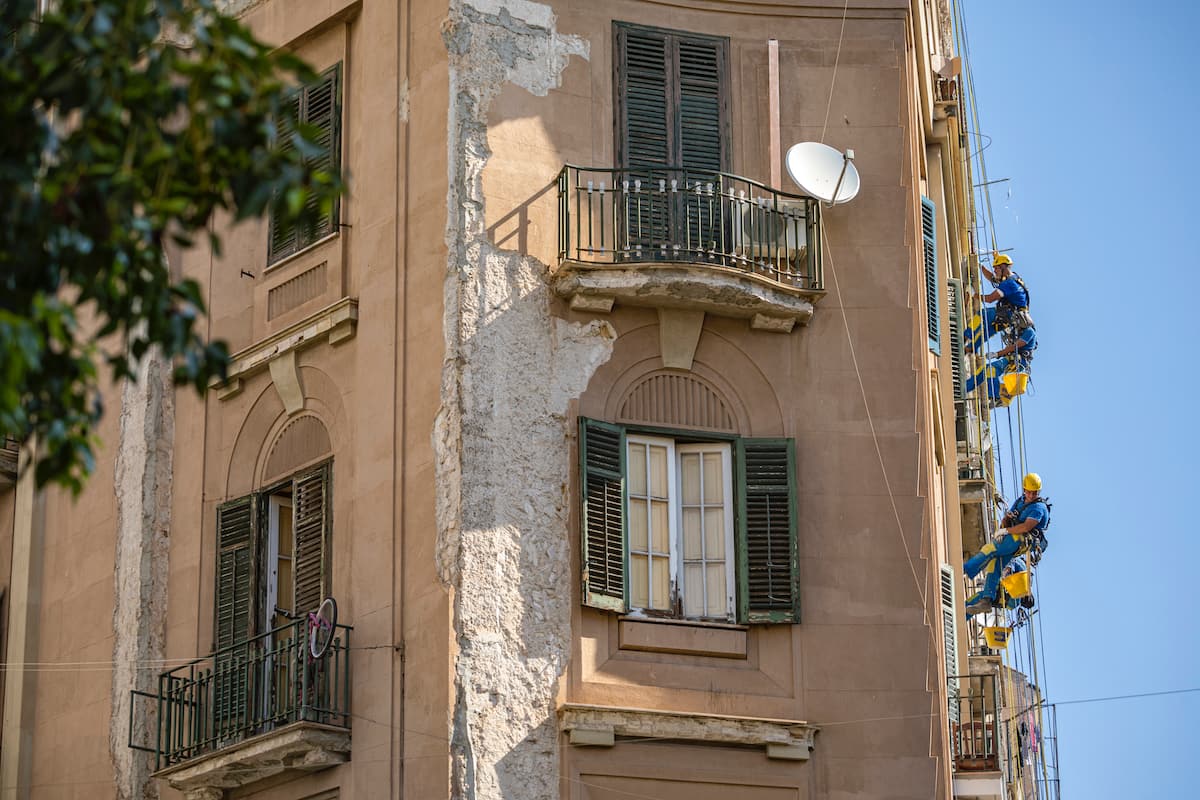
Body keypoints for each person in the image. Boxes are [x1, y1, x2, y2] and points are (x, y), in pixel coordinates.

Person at [964, 473, 1050, 614]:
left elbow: (1026, 527)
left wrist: (1005, 531)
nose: (1031, 495)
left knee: (991, 549)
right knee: (995, 563)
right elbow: (1007, 519)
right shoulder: (1020, 501)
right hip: (1012, 535)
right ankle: (986, 600)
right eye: (1028, 492)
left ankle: (966, 570)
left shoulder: (1039, 508)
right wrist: (1005, 523)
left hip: (1022, 539)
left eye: (1034, 493)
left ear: (1038, 492)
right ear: (1024, 490)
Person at [965, 253, 1032, 353]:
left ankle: (966, 336)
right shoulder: (1014, 277)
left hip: (1009, 314)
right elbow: (992, 277)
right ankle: (970, 348)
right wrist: (980, 266)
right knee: (989, 330)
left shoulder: (1009, 284)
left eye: (996, 268)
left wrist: (973, 294)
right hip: (1013, 319)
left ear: (1003, 267)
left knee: (983, 315)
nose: (994, 271)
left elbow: (990, 299)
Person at [965, 317, 1037, 406]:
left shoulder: (1030, 332)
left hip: (1018, 361)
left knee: (992, 369)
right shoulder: (1018, 332)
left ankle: (995, 396)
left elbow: (1015, 347)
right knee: (984, 370)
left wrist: (997, 354)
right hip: (1012, 358)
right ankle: (965, 387)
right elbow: (1010, 346)